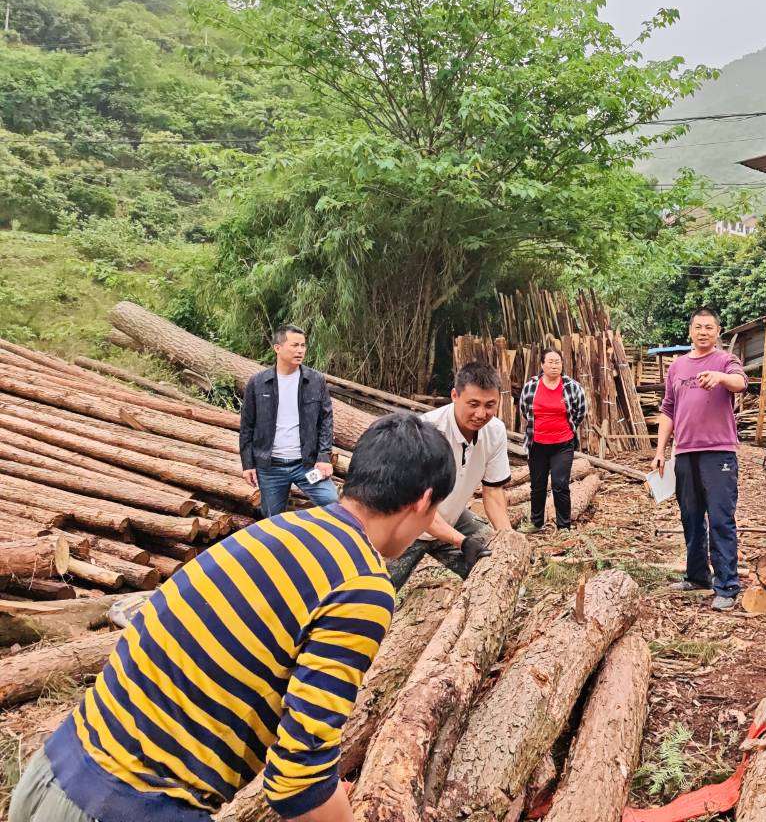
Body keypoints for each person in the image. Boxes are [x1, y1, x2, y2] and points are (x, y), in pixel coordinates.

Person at [11, 411, 456, 822]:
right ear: (423, 502)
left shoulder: (279, 528)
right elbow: (298, 780)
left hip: (52, 770)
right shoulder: (362, 584)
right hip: (127, 807)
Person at [652, 307, 747, 611]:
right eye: (698, 327)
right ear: (690, 331)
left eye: (709, 327)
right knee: (691, 517)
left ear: (717, 331)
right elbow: (668, 410)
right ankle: (697, 576)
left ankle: (727, 585)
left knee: (720, 518)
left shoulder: (725, 361)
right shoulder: (677, 367)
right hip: (684, 452)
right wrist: (660, 451)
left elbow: (740, 382)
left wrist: (720, 378)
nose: (703, 332)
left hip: (718, 452)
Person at [387, 360, 513, 587]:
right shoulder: (426, 431)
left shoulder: (495, 431)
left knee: (497, 562)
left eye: (490, 405)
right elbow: (418, 507)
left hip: (451, 517)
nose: (481, 413)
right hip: (404, 525)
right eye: (473, 404)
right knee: (377, 592)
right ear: (455, 395)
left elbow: (493, 492)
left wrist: (509, 539)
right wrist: (462, 542)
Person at [239, 324, 338, 518]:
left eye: (303, 345)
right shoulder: (258, 382)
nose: (300, 350)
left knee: (332, 502)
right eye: (294, 345)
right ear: (277, 348)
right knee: (272, 518)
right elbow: (247, 426)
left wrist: (323, 457)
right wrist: (248, 464)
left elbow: (326, 420)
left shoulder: (315, 380)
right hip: (271, 468)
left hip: (306, 465)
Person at [517, 348, 587, 531]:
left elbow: (580, 412)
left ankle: (564, 527)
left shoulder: (572, 387)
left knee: (560, 484)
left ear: (562, 365)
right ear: (542, 365)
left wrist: (567, 428)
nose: (554, 365)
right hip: (537, 444)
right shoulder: (531, 386)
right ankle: (536, 523)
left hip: (563, 444)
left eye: (558, 362)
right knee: (537, 485)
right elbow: (524, 409)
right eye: (550, 362)